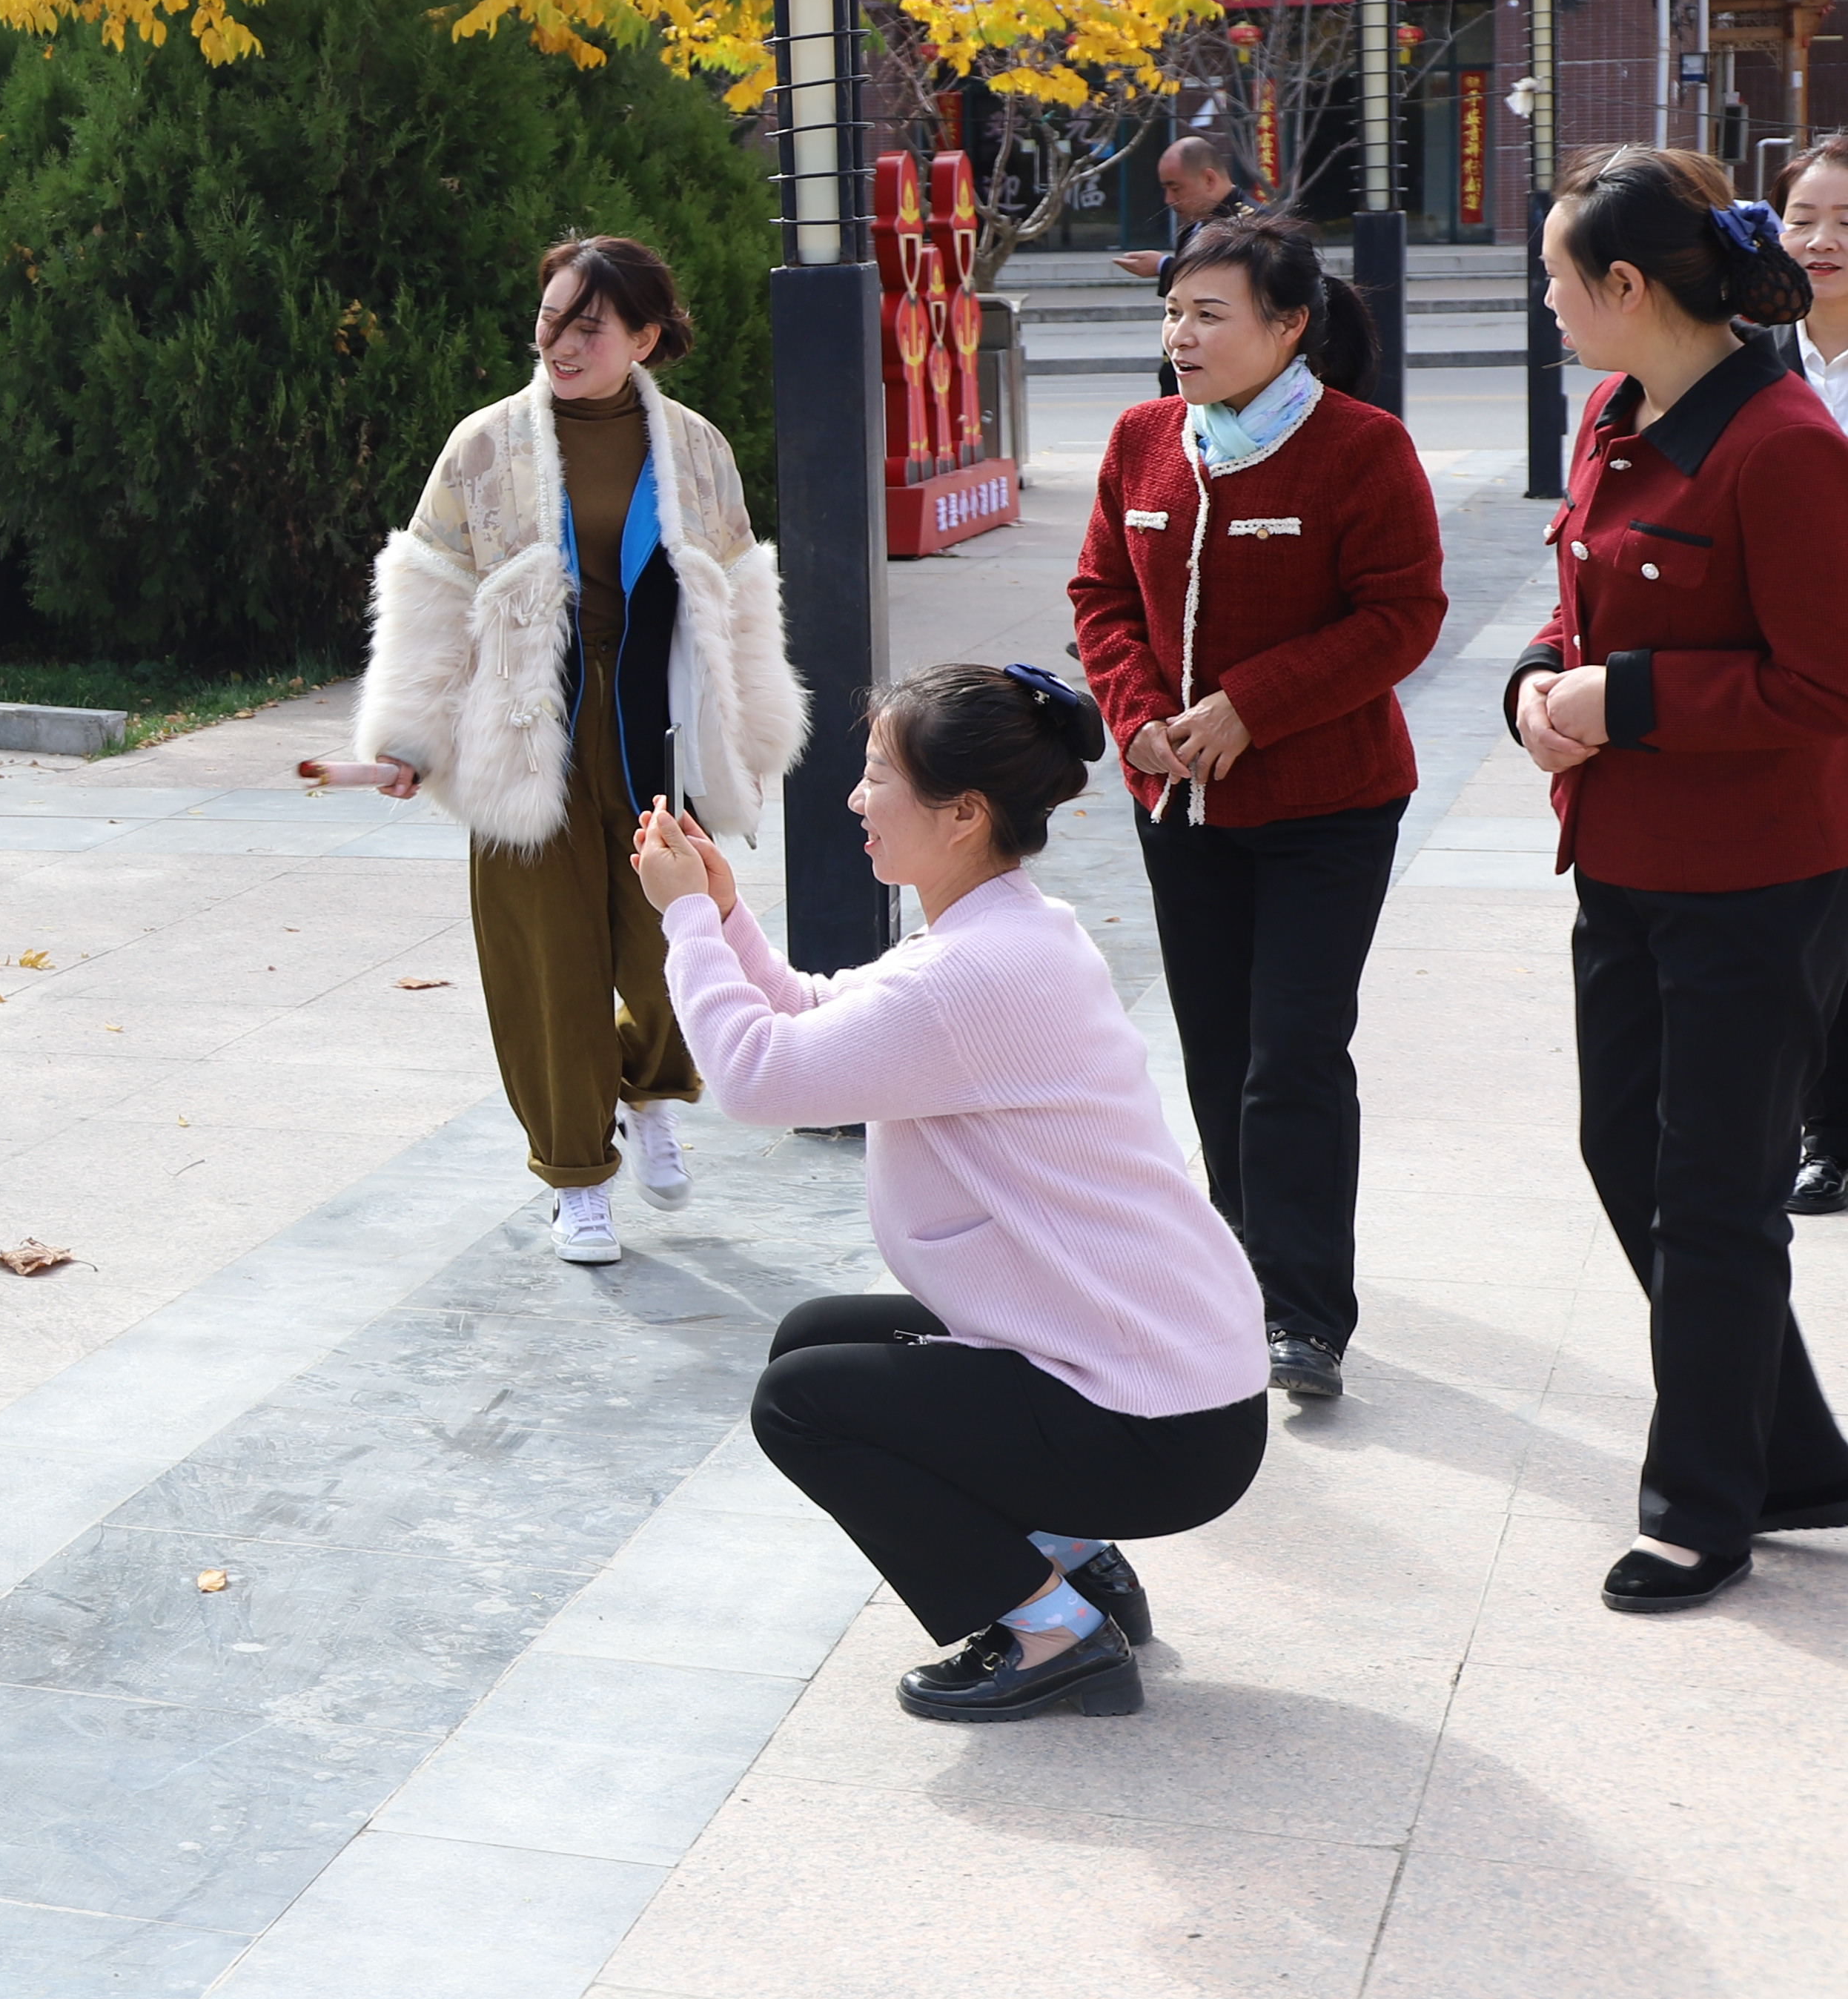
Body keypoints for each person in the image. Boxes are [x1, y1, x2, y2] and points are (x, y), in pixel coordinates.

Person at [635, 666, 1271, 1724]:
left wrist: (688, 928)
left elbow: (758, 1077)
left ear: (966, 814)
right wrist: (732, 916)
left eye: (878, 775)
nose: (855, 800)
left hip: (1162, 1423)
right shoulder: (1009, 932)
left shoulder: (968, 975)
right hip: (1171, 1378)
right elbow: (815, 1014)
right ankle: (1076, 1562)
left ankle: (1052, 1634)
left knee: (802, 1405)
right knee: (815, 1338)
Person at [1507, 143, 1848, 1610]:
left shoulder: (1782, 446)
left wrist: (1626, 701)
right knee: (1626, 1154)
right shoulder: (1612, 413)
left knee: (1712, 1194)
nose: (1548, 304)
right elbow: (1575, 595)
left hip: (1754, 879)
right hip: (1626, 863)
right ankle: (1796, 1452)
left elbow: (1825, 689)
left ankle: (1703, 1502)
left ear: (1629, 285)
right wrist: (1536, 681)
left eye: (1556, 279)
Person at [351, 234, 806, 1264]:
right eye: (552, 317)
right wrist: (410, 741)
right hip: (525, 737)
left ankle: (648, 1091)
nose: (560, 341)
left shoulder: (695, 447)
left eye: (588, 327)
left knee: (669, 949)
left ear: (644, 338)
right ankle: (575, 1176)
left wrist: (754, 731)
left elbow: (737, 601)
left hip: (659, 732)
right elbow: (432, 597)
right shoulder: (483, 444)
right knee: (545, 964)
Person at [1066, 219, 1443, 1406]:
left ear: (1289, 328)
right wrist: (1134, 717)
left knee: (1293, 1053)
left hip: (1330, 806)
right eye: (1174, 311)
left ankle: (1305, 1312)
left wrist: (1251, 708)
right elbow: (1100, 595)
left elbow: (1401, 616)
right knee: (1220, 1052)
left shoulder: (1362, 449)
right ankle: (1233, 1275)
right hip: (1179, 803)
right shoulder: (1140, 441)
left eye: (1210, 314)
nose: (1181, 335)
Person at [1777, 139, 1848, 1218]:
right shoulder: (1745, 364)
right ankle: (1823, 1130)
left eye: (1846, 224)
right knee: (1815, 918)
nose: (1825, 241)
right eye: (1804, 217)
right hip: (1788, 687)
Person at [1109, 132, 1258, 284]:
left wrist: (1164, 266)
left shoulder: (1253, 226)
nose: (1169, 200)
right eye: (1165, 189)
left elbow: (1230, 286)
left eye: (1176, 189)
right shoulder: (1193, 227)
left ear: (1209, 180)